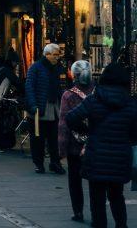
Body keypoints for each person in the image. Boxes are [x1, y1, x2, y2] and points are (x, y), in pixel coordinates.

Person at [67, 62, 137, 228]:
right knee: (117, 195)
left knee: (96, 198)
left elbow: (71, 118)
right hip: (120, 156)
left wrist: (87, 130)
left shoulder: (94, 100)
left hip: (96, 155)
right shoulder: (131, 103)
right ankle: (121, 225)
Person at [59, 60, 94, 223]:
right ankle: (97, 212)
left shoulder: (68, 95)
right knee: (96, 182)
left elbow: (63, 124)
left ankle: (78, 211)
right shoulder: (97, 93)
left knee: (75, 181)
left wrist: (62, 148)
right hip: (94, 144)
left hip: (75, 145)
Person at [25, 43, 66, 174]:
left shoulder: (58, 68)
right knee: (38, 138)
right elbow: (29, 87)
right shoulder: (36, 68)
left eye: (58, 55)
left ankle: (55, 162)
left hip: (54, 107)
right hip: (40, 107)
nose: (57, 58)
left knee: (55, 138)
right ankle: (39, 163)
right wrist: (33, 105)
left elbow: (62, 87)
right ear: (47, 55)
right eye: (54, 55)